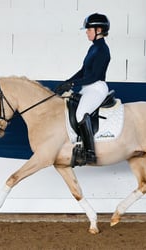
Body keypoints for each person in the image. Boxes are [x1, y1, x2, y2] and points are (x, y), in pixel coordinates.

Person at [54, 13, 111, 165]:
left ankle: (89, 153)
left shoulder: (102, 50)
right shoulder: (93, 48)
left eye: (89, 29)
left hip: (97, 87)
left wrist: (73, 84)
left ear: (99, 30)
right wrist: (68, 81)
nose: (87, 32)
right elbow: (83, 71)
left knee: (80, 114)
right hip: (88, 87)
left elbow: (94, 76)